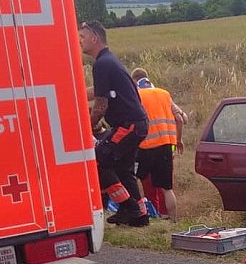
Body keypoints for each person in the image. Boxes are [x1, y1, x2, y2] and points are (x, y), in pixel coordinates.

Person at [79, 21, 149, 227]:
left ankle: (128, 206)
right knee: (124, 170)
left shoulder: (101, 64)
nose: (80, 41)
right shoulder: (109, 61)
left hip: (128, 125)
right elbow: (98, 92)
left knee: (97, 160)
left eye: (82, 37)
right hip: (137, 124)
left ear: (94, 38)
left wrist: (85, 128)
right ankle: (140, 216)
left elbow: (100, 105)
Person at [130, 68, 185, 220]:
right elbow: (180, 119)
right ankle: (172, 220)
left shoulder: (136, 95)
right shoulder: (164, 94)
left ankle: (146, 216)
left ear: (134, 81)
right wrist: (178, 140)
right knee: (167, 189)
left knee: (138, 182)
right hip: (166, 146)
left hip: (145, 147)